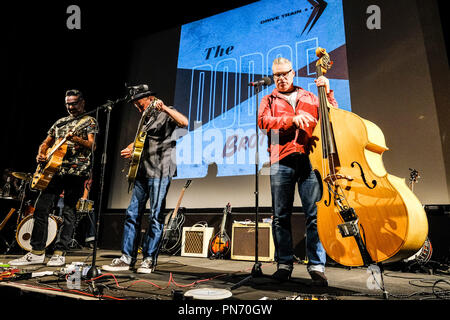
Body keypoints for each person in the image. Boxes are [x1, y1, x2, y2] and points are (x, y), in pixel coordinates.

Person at [258, 57, 338, 286]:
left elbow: (332, 117)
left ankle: (316, 265)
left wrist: (328, 93)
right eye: (276, 75)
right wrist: (291, 119)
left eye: (284, 74)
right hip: (280, 160)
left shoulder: (310, 97)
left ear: (293, 73)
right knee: (280, 216)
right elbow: (263, 122)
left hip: (309, 160)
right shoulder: (268, 99)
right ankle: (284, 264)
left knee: (315, 215)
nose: (280, 79)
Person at [102, 86, 188, 274]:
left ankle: (149, 259)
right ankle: (127, 258)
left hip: (160, 170)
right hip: (142, 172)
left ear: (150, 98)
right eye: (136, 107)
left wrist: (164, 108)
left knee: (155, 216)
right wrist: (133, 146)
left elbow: (184, 122)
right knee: (132, 214)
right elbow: (145, 139)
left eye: (140, 105)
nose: (139, 110)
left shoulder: (166, 112)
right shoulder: (146, 118)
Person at [9, 89, 98, 266]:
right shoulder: (60, 122)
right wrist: (41, 153)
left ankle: (59, 252)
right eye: (68, 104)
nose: (70, 107)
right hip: (54, 172)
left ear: (82, 103)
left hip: (76, 173)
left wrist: (76, 139)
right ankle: (37, 252)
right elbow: (45, 143)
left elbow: (92, 145)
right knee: (41, 208)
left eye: (74, 103)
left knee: (69, 212)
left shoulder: (89, 121)